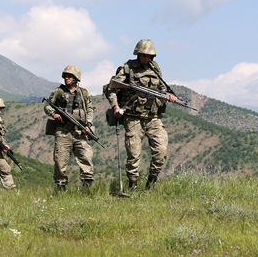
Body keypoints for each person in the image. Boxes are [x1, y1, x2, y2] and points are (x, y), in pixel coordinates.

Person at [106, 39, 178, 190]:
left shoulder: (155, 69)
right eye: (143, 55)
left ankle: (150, 184)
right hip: (133, 117)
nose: (145, 58)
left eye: (148, 55)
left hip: (153, 118)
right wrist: (115, 106)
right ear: (137, 54)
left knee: (161, 150)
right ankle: (133, 186)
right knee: (133, 154)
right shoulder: (127, 69)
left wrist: (168, 96)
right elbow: (111, 88)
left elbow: (161, 89)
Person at [43, 65, 95, 190]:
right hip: (63, 132)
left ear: (76, 78)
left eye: (70, 76)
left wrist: (88, 125)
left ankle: (87, 189)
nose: (67, 78)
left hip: (80, 131)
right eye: (65, 76)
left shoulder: (83, 93)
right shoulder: (59, 92)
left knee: (86, 158)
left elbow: (90, 110)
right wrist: (54, 114)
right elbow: (48, 106)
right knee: (60, 161)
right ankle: (61, 189)